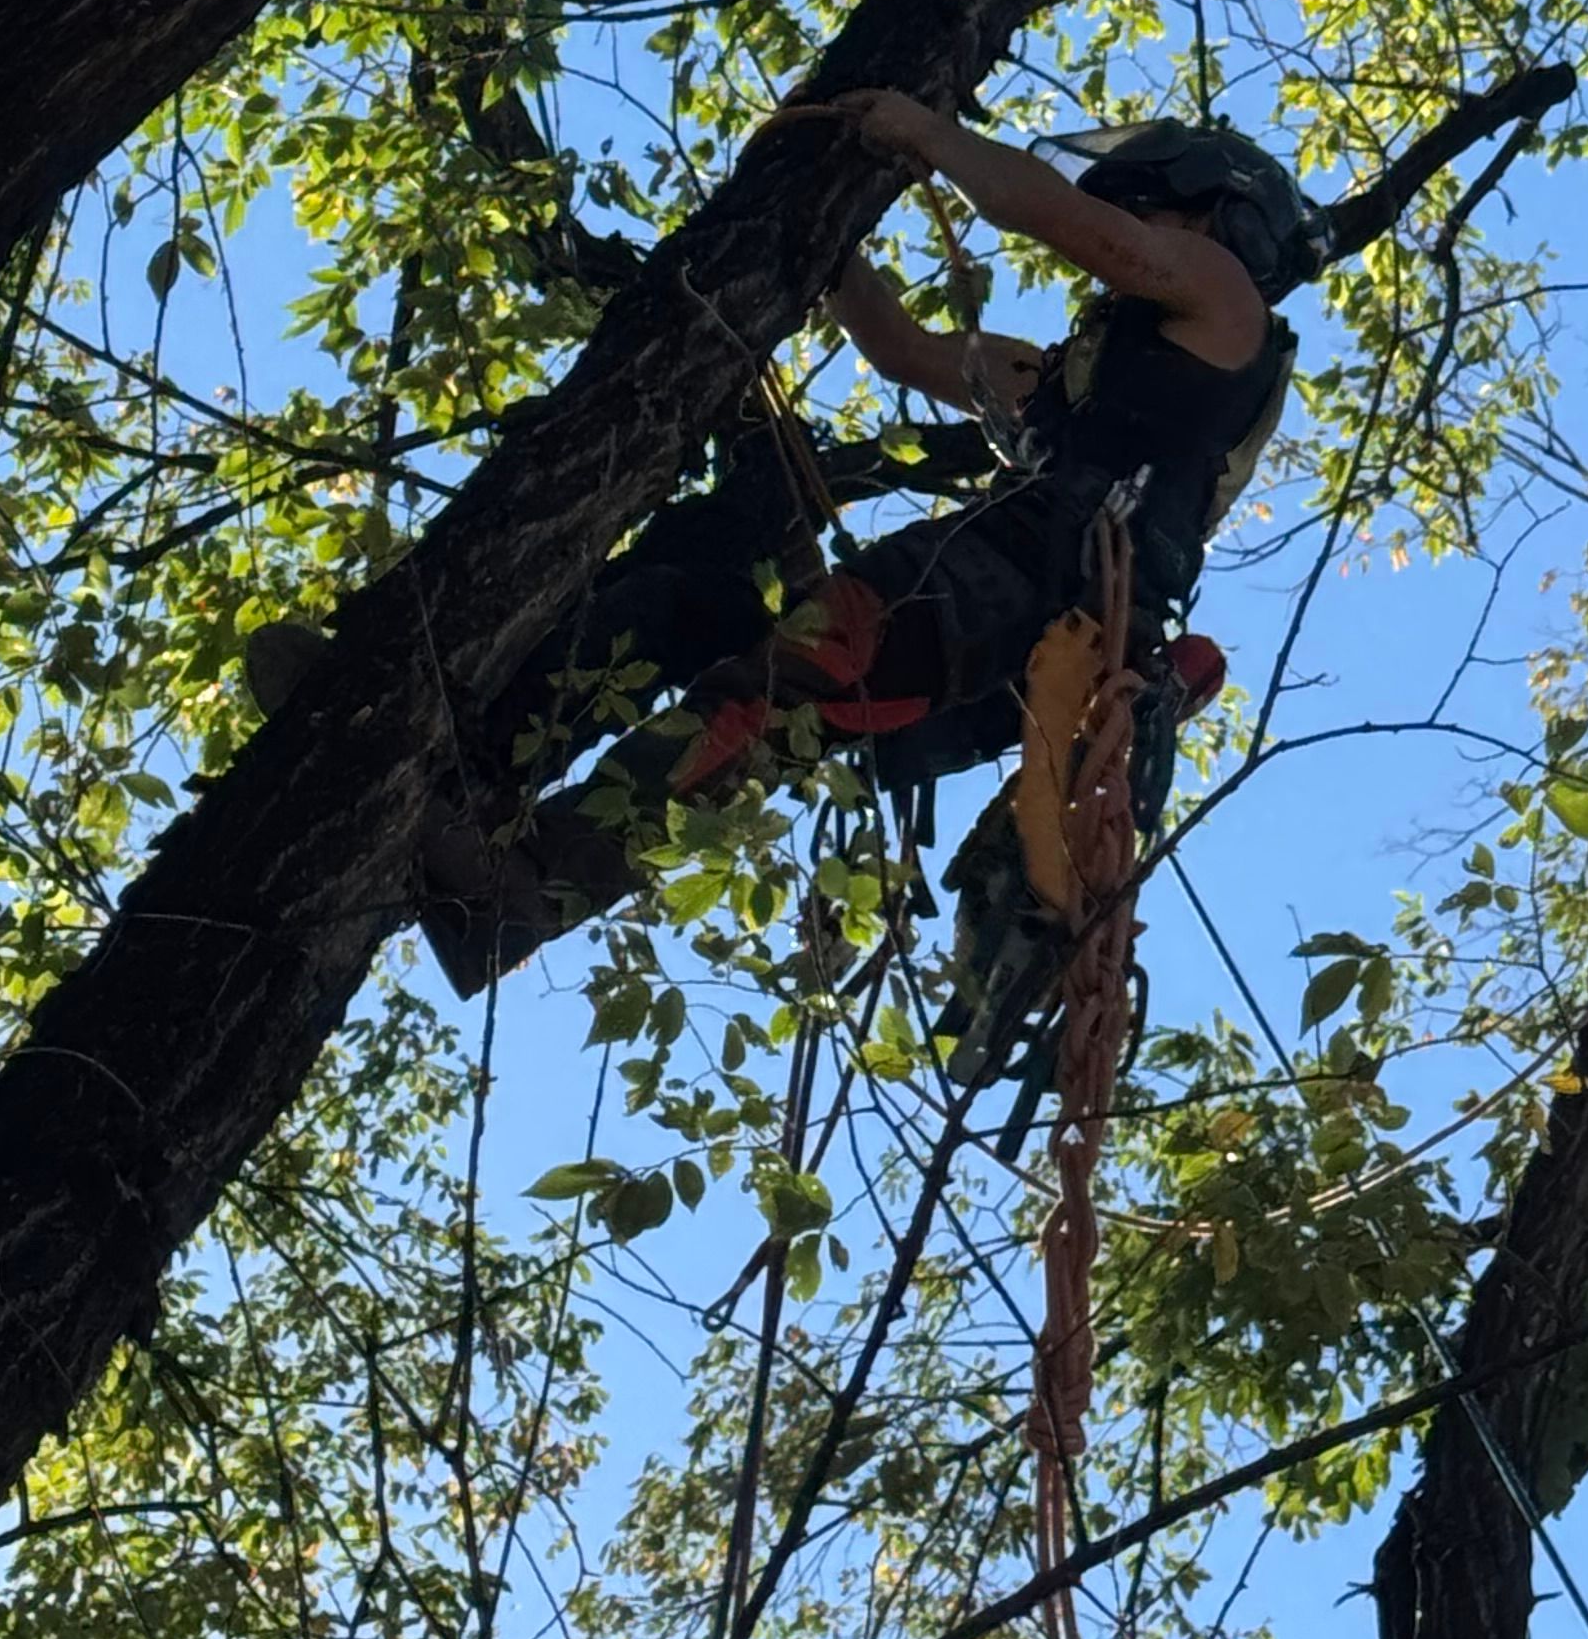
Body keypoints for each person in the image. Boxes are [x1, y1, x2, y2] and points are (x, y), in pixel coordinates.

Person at [406, 95, 1324, 991]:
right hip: (976, 617)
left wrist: (919, 127)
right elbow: (902, 351)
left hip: (1006, 598)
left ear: (1215, 213)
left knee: (770, 701)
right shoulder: (1072, 374)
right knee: (686, 610)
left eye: (1149, 208)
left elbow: (1046, 211)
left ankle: (526, 891)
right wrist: (825, 234)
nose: (1134, 227)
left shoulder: (1226, 303)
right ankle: (482, 779)